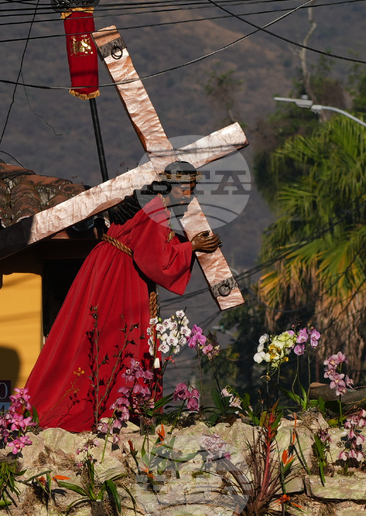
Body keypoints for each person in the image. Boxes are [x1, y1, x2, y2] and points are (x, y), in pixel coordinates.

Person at [24, 161, 221, 432]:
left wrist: (185, 244)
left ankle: (111, 402)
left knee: (97, 337)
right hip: (120, 278)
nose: (190, 196)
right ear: (173, 186)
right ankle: (114, 405)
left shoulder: (150, 205)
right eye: (187, 188)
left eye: (193, 189)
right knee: (117, 337)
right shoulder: (156, 209)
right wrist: (193, 247)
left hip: (110, 269)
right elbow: (156, 260)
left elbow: (151, 242)